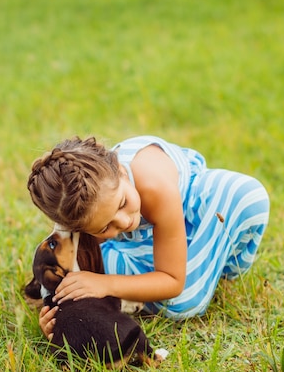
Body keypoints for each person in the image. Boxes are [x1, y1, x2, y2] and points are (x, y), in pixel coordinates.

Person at [27, 135, 270, 335]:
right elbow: (56, 271)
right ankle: (139, 283)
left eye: (122, 203)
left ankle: (148, 286)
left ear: (121, 171)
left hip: (199, 222)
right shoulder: (76, 204)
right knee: (88, 276)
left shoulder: (153, 188)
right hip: (143, 247)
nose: (124, 222)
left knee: (184, 300)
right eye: (104, 228)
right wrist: (57, 317)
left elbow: (173, 282)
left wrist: (105, 284)